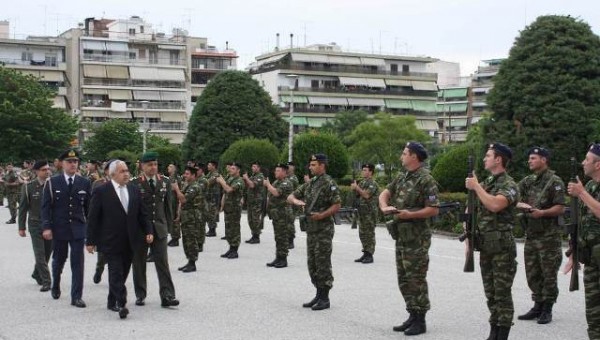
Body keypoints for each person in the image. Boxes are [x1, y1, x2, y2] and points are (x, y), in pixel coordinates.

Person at [378, 142, 439, 336]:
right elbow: (385, 193)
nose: (401, 157)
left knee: (416, 279)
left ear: (414, 157)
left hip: (417, 239)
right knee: (403, 279)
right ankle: (412, 313)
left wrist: (409, 215)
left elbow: (433, 209)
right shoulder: (402, 177)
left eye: (404, 153)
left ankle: (420, 320)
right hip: (402, 237)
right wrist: (383, 206)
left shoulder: (426, 179)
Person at [86, 160, 153, 319]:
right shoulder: (102, 191)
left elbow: (142, 213)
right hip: (110, 240)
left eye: (127, 171)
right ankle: (121, 303)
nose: (126, 174)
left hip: (130, 239)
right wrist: (90, 241)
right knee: (115, 271)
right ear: (113, 173)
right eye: (122, 171)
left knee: (123, 272)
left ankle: (112, 300)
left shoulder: (134, 189)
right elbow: (93, 217)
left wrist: (148, 230)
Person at [465, 143, 519, 340]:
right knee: (491, 292)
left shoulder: (509, 184)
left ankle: (502, 334)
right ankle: (493, 331)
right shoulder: (487, 181)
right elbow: (472, 210)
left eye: (488, 156)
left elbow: (495, 205)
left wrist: (476, 186)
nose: (484, 159)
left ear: (498, 159)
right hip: (486, 245)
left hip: (502, 247)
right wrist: (468, 241)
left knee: (502, 293)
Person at [516, 147, 565, 325]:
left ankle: (547, 308)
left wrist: (542, 213)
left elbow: (560, 207)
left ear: (544, 160)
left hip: (548, 237)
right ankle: (537, 305)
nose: (529, 161)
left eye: (533, 158)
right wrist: (523, 206)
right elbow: (512, 195)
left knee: (549, 273)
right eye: (529, 158)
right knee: (532, 272)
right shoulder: (528, 181)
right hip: (532, 234)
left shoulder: (554, 181)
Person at [287, 154, 341, 311]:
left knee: (323, 263)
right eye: (310, 165)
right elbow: (291, 197)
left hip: (324, 230)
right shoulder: (310, 183)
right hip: (311, 230)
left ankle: (325, 298)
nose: (310, 167)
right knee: (313, 263)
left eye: (313, 165)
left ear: (322, 165)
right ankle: (318, 294)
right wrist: (298, 202)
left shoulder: (329, 183)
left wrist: (322, 215)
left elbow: (337, 205)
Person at [41, 149, 91, 308]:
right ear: (62, 164)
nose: (73, 164)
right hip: (59, 228)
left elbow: (89, 209)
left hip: (78, 228)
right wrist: (47, 227)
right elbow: (45, 207)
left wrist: (91, 231)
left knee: (78, 263)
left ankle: (76, 296)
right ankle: (55, 283)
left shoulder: (84, 182)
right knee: (58, 260)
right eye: (69, 162)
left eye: (75, 161)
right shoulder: (52, 182)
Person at [131, 152, 179, 307]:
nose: (153, 167)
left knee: (162, 263)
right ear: (142, 166)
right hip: (140, 230)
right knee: (139, 263)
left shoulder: (165, 181)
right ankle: (140, 294)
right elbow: (132, 210)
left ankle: (167, 295)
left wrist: (169, 227)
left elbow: (168, 207)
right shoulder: (135, 183)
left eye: (155, 164)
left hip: (159, 228)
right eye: (149, 165)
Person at [567, 143, 600, 339]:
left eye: (587, 160)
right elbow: (582, 220)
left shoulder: (585, 190)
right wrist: (574, 250)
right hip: (591, 258)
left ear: (598, 165)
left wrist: (581, 193)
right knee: (593, 313)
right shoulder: (589, 185)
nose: (583, 163)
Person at [18, 160, 53, 291]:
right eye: (44, 170)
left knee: (47, 253)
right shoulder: (28, 187)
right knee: (39, 254)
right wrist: (21, 227)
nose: (47, 171)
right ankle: (47, 281)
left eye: (48, 169)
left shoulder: (53, 185)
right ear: (37, 171)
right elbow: (22, 208)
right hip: (35, 223)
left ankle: (36, 273)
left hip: (50, 224)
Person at [264, 163, 293, 268]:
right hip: (276, 215)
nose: (275, 172)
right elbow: (270, 195)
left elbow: (276, 193)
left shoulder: (286, 183)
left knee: (283, 237)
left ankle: (283, 259)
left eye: (278, 170)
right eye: (275, 170)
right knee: (278, 237)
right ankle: (278, 257)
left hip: (283, 214)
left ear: (285, 172)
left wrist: (268, 185)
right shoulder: (276, 182)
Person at [351, 163, 379, 264]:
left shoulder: (373, 184)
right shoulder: (362, 182)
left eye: (365, 170)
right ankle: (365, 253)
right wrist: (354, 188)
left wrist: (357, 188)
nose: (363, 171)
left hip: (370, 213)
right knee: (362, 233)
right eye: (363, 169)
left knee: (369, 234)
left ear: (371, 172)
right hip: (362, 212)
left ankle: (370, 255)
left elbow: (366, 195)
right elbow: (357, 195)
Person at [178, 165, 203, 271]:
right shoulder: (187, 185)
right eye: (185, 173)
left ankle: (192, 263)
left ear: (193, 175)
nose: (185, 175)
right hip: (186, 216)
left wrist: (176, 189)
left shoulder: (195, 187)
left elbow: (183, 199)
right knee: (186, 239)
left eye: (187, 174)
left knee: (191, 239)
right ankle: (189, 260)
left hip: (192, 217)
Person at [217, 162, 245, 259]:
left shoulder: (239, 181)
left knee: (234, 229)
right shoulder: (230, 179)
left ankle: (235, 250)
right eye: (231, 168)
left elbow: (229, 189)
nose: (230, 170)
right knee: (228, 229)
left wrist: (221, 181)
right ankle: (231, 248)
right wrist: (222, 204)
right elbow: (225, 193)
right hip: (228, 208)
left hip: (235, 208)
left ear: (238, 170)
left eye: (233, 169)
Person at [91, 160, 112, 284]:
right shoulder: (98, 184)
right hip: (103, 222)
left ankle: (114, 277)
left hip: (118, 223)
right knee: (103, 253)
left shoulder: (124, 183)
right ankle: (99, 269)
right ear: (106, 171)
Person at [242, 161, 265, 244]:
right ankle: (253, 235)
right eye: (252, 166)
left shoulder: (260, 176)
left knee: (255, 219)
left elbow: (252, 185)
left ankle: (256, 237)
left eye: (255, 167)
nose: (253, 168)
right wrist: (245, 179)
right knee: (250, 219)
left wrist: (247, 178)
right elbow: (248, 186)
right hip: (251, 201)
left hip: (256, 202)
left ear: (259, 168)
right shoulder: (252, 176)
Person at [205, 160, 221, 237]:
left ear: (214, 166)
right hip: (209, 197)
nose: (208, 166)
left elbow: (208, 182)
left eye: (209, 165)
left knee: (212, 214)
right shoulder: (209, 174)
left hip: (213, 198)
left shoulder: (216, 174)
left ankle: (212, 230)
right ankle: (210, 229)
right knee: (209, 213)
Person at [286, 161, 300, 249]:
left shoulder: (293, 179)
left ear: (293, 168)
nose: (288, 168)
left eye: (290, 167)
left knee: (290, 222)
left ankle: (291, 240)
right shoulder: (286, 177)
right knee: (287, 222)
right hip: (287, 204)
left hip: (293, 204)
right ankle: (287, 239)